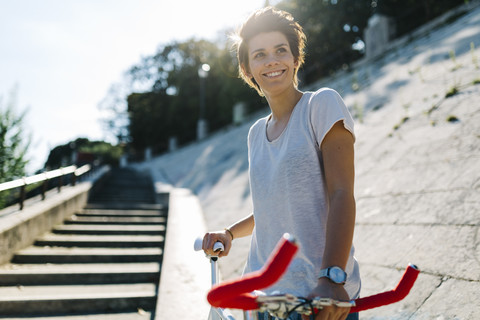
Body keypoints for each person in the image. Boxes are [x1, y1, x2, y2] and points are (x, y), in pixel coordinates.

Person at [202, 6, 361, 320]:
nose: (272, 60)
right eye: (259, 54)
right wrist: (229, 234)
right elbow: (271, 207)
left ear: (295, 59)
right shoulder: (254, 134)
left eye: (280, 50)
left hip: (317, 301)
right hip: (266, 301)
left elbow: (341, 194)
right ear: (247, 69)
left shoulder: (321, 105)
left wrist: (331, 277)